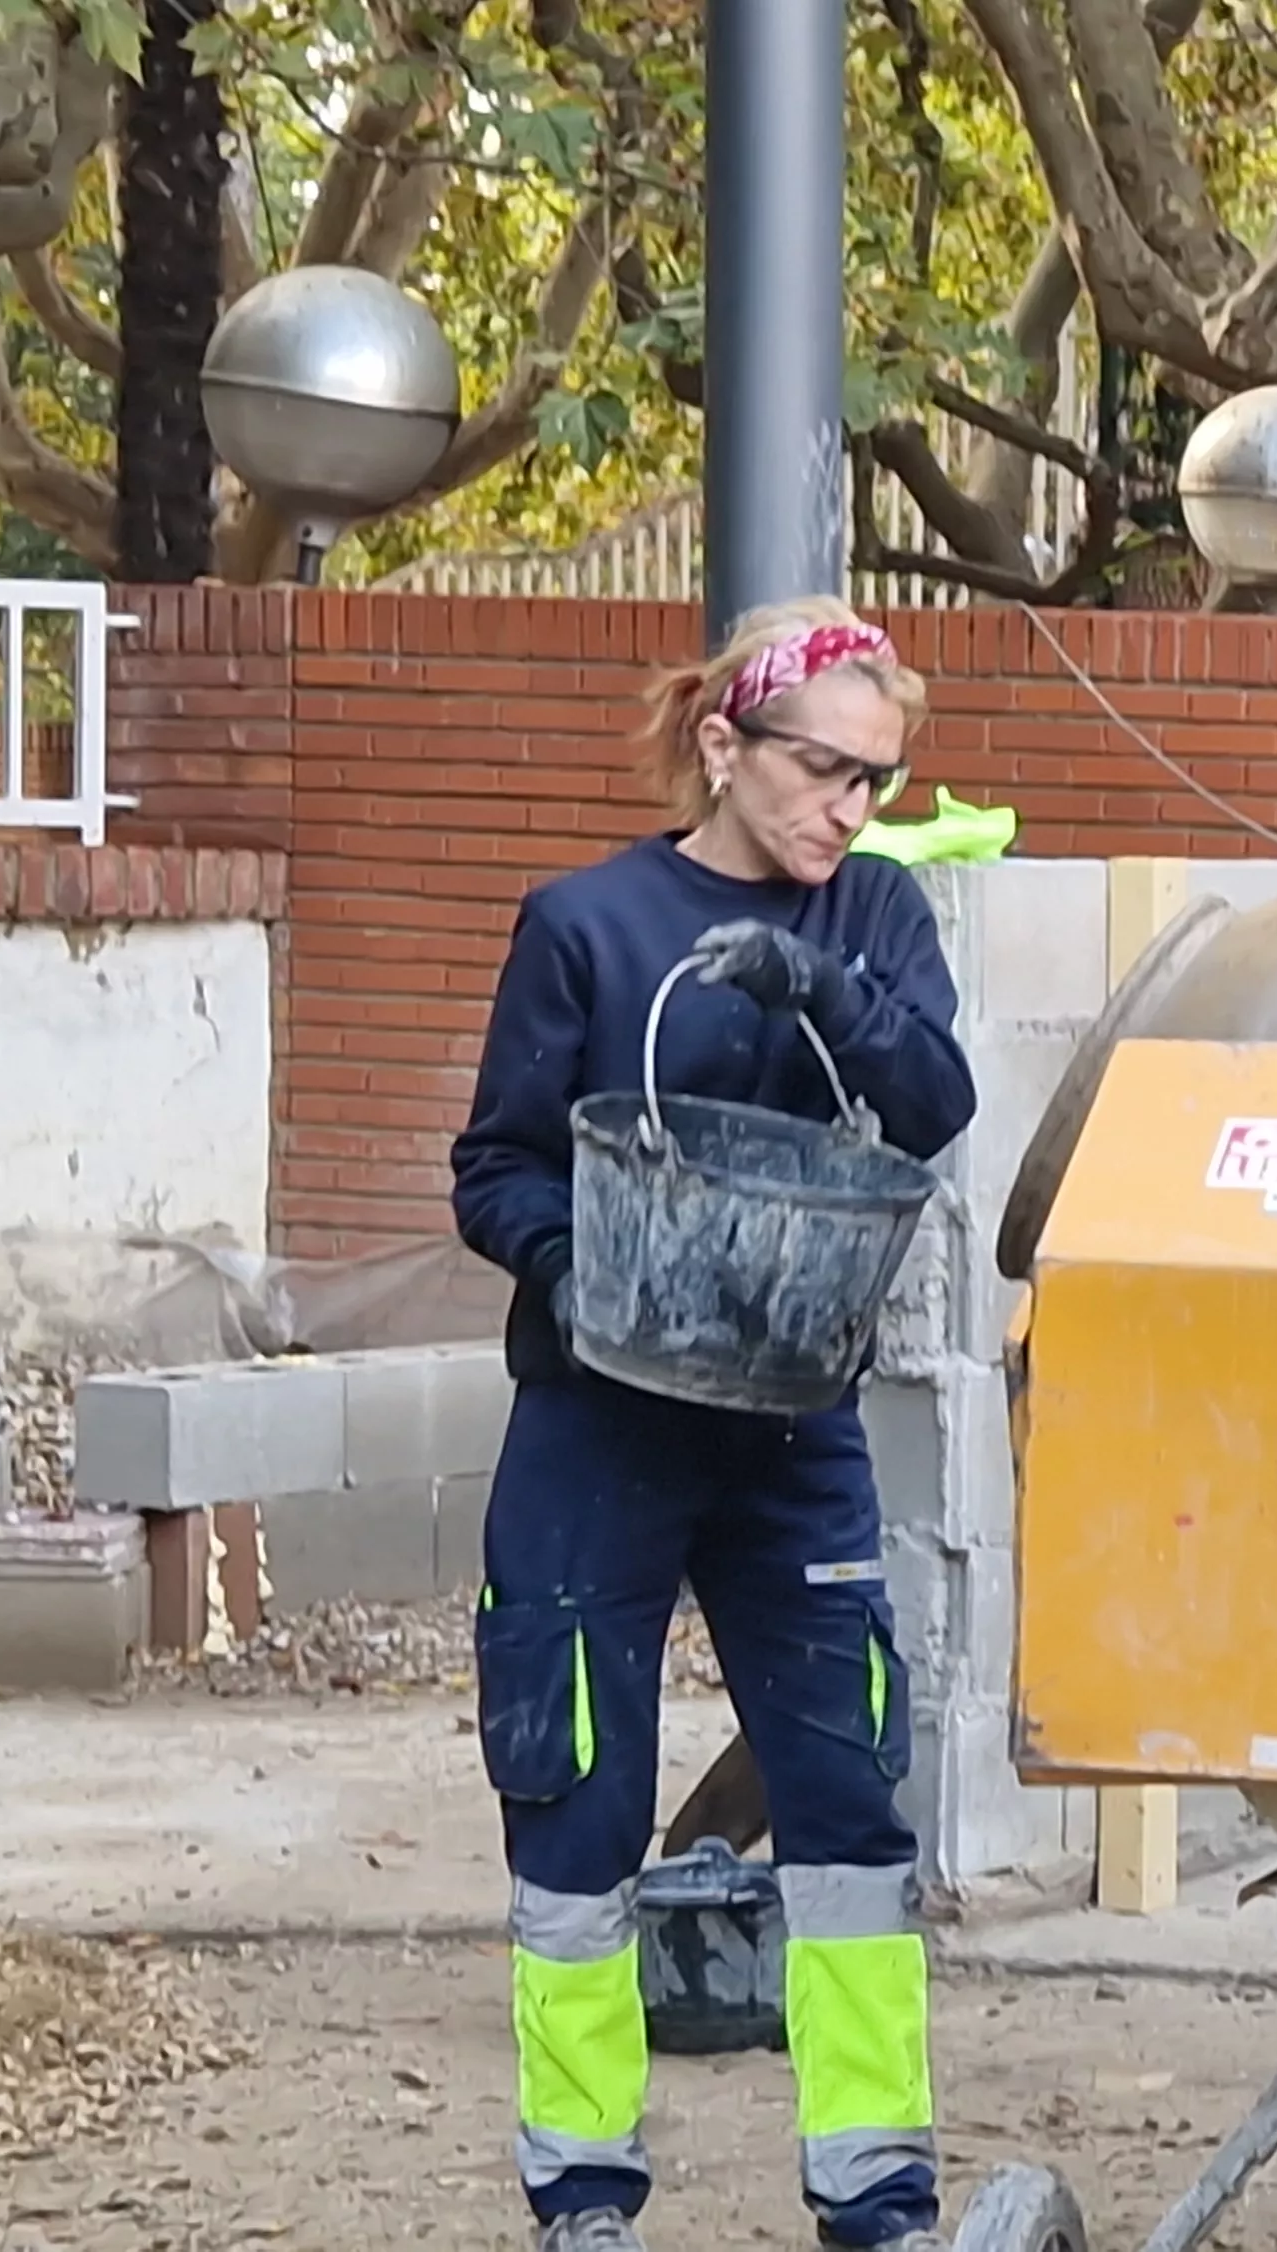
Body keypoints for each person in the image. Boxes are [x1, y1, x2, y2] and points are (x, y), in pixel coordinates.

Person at [450, 597, 979, 2252]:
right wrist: (583, 1256)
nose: (847, 809)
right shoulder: (591, 926)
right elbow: (498, 1166)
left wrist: (818, 980)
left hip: (791, 1425)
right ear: (723, 745)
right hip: (599, 1423)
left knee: (845, 1804)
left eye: (875, 782)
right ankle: (584, 2193)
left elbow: (935, 1100)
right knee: (578, 1815)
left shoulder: (876, 917)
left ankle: (873, 2190)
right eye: (821, 769)